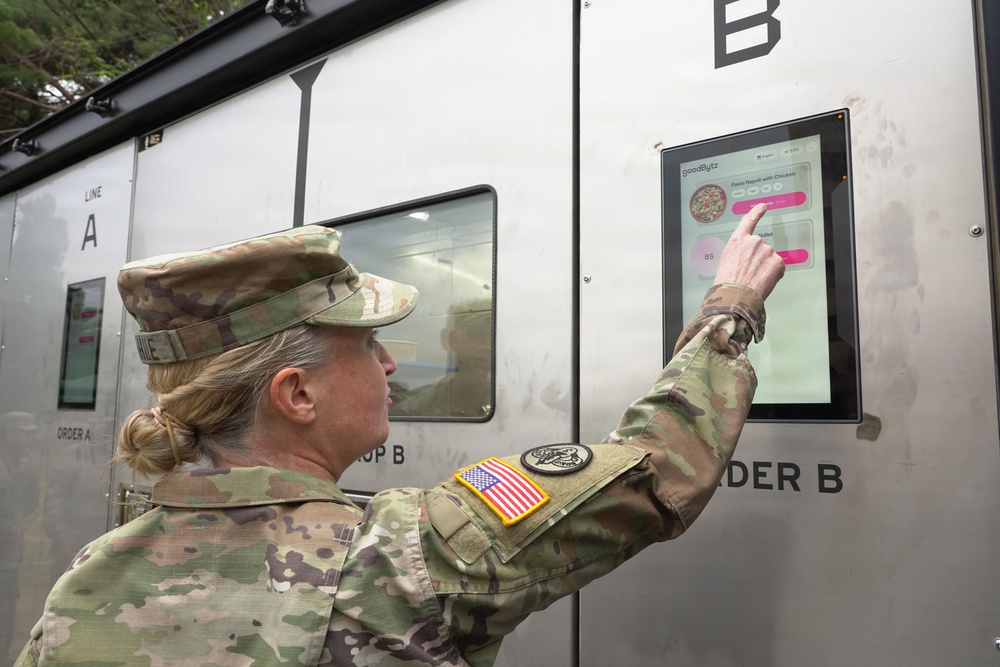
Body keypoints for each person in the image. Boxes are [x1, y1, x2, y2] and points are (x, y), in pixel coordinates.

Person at [15, 203, 783, 667]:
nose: (389, 360)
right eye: (365, 344)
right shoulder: (408, 556)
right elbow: (655, 470)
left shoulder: (88, 577)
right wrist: (731, 309)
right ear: (297, 393)